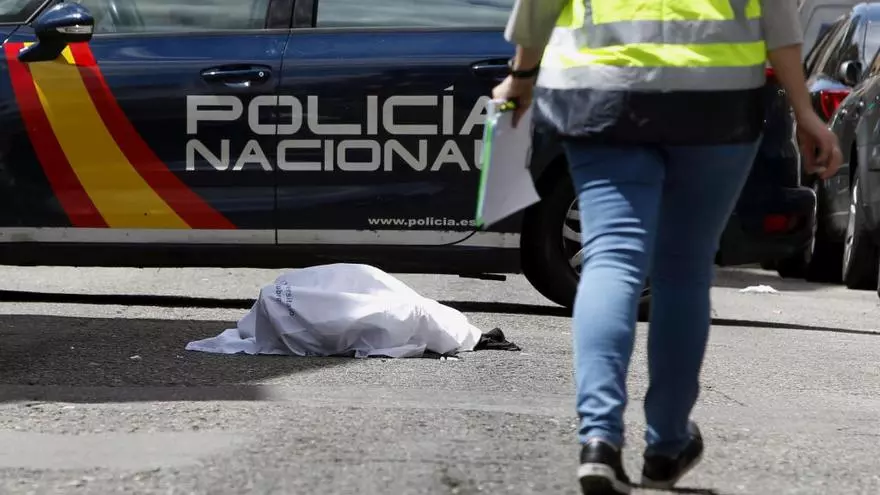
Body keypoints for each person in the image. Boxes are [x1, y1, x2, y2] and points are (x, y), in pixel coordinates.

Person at [492, 1, 843, 494]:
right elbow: (778, 17)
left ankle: (599, 439)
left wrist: (521, 77)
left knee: (612, 256)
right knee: (684, 268)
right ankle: (667, 443)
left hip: (600, 89)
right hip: (715, 98)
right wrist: (804, 111)